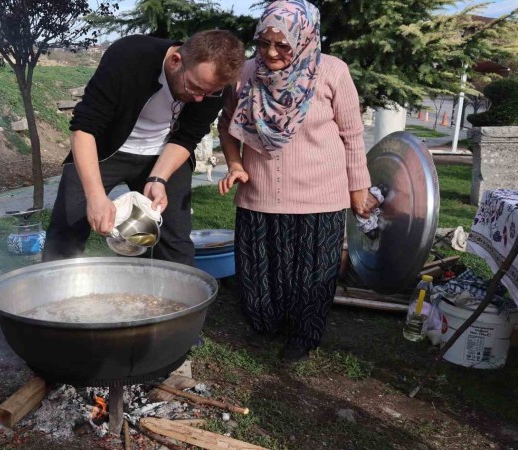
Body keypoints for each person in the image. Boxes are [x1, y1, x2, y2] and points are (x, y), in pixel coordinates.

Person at [217, 0, 373, 363]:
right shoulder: (246, 74)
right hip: (260, 192)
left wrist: (359, 189)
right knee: (261, 271)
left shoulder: (332, 71)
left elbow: (352, 135)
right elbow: (227, 126)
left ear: (304, 38)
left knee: (312, 273)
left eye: (282, 44)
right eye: (264, 43)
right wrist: (234, 162)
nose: (271, 52)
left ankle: (303, 337)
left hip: (320, 195)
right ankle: (264, 326)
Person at [42, 30, 245, 266]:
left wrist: (158, 179)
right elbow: (84, 129)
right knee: (66, 229)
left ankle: (178, 301)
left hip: (164, 153)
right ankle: (57, 295)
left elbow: (187, 138)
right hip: (105, 150)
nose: (201, 99)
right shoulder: (130, 56)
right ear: (175, 60)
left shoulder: (215, 87)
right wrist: (95, 197)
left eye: (209, 93)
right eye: (195, 88)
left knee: (175, 239)